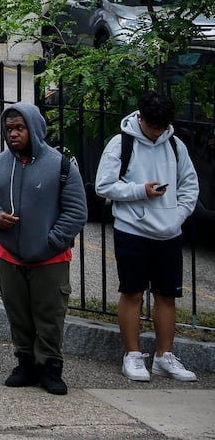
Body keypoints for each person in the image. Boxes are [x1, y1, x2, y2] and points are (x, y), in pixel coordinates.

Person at [0, 102, 87, 395]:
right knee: (18, 313)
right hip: (9, 255)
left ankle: (50, 367)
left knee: (49, 315)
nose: (13, 134)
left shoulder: (61, 165)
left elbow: (76, 212)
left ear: (34, 129)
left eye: (20, 128)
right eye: (9, 129)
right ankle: (24, 362)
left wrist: (52, 241)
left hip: (50, 258)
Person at [95, 90, 200, 383]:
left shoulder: (176, 146)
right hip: (132, 230)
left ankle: (164, 356)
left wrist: (176, 216)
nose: (156, 132)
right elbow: (103, 186)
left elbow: (190, 186)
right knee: (132, 293)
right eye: (152, 126)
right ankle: (132, 354)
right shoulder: (121, 143)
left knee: (167, 295)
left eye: (162, 127)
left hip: (169, 233)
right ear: (140, 117)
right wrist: (141, 190)